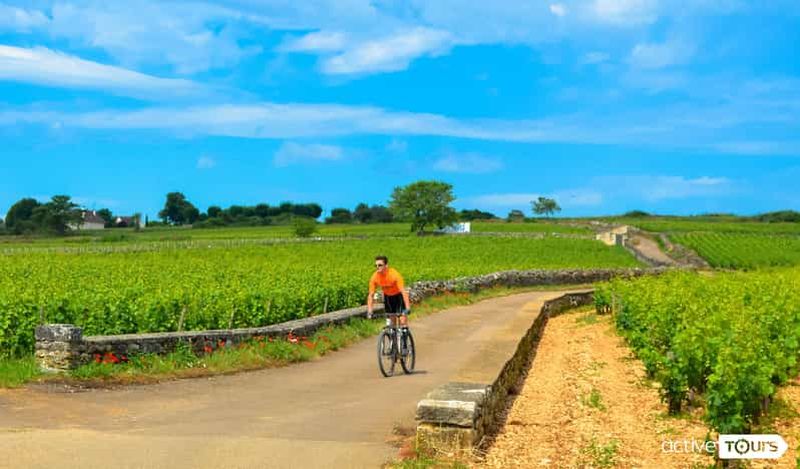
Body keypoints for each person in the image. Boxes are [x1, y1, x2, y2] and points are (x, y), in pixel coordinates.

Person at [367, 255, 411, 326]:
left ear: (386, 265)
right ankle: (393, 336)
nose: (377, 267)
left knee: (402, 321)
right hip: (388, 297)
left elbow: (403, 292)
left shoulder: (394, 275)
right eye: (376, 265)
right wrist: (369, 311)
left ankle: (403, 333)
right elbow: (371, 295)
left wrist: (408, 308)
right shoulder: (374, 277)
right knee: (391, 323)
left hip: (398, 297)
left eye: (380, 265)